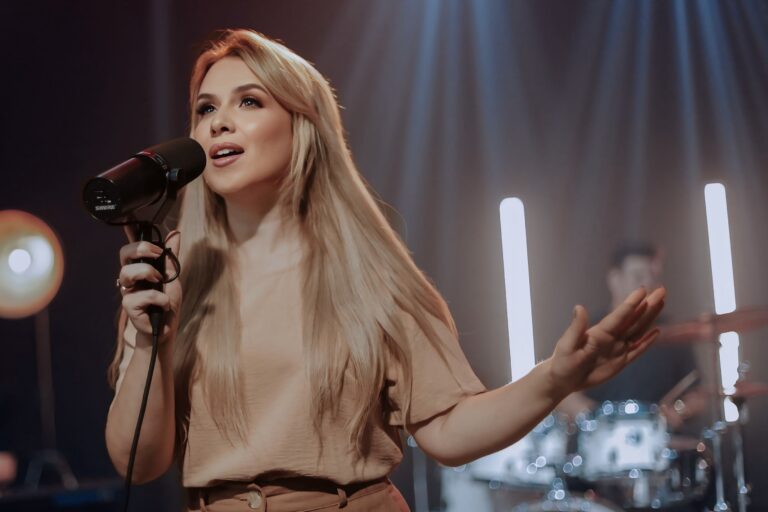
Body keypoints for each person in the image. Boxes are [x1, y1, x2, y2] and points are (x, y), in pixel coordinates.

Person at [105, 29, 665, 512]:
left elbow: (446, 429)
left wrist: (555, 379)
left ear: (303, 126)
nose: (219, 124)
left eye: (249, 102)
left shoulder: (363, 267)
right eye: (206, 110)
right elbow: (138, 462)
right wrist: (153, 338)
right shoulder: (170, 269)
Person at [559, 243, 707, 431]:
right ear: (615, 279)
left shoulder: (673, 332)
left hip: (660, 439)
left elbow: (697, 395)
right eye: (638, 276)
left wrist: (679, 410)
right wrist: (593, 417)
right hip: (601, 440)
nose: (647, 283)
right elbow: (561, 393)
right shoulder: (589, 333)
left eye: (652, 276)